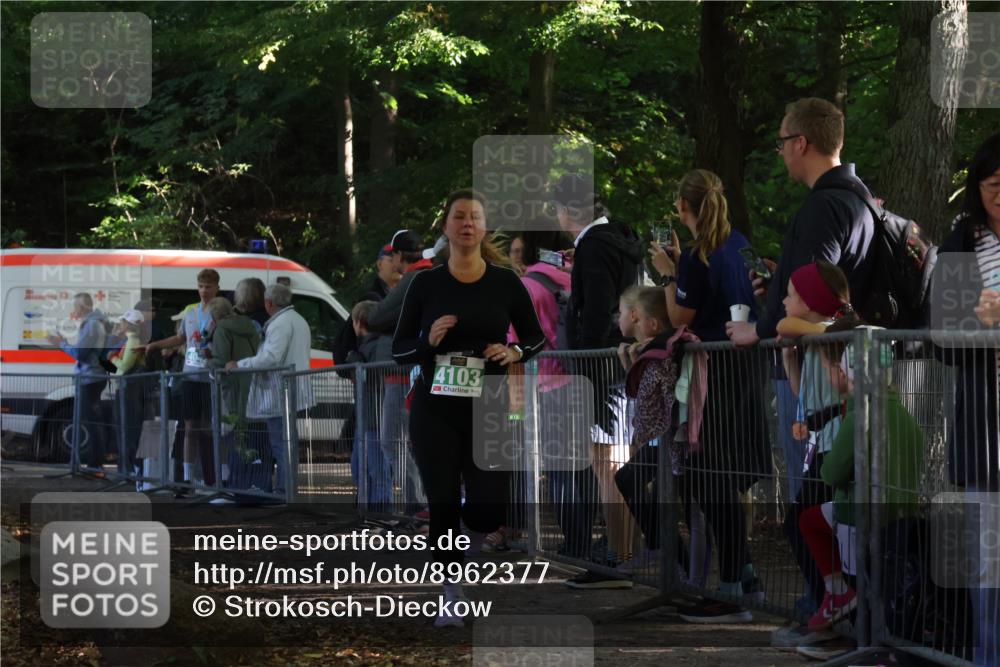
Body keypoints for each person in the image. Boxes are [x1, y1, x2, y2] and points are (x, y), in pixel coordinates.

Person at [392, 189, 545, 628]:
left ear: (483, 227)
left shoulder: (505, 282)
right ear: (446, 226)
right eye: (458, 216)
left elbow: (535, 338)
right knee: (442, 501)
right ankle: (451, 594)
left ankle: (462, 529)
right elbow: (401, 348)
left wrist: (514, 352)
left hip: (490, 405)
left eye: (474, 217)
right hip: (436, 407)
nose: (466, 224)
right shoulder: (425, 283)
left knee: (487, 511)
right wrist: (428, 342)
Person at [649, 169, 768, 622]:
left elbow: (680, 313)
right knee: (715, 479)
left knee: (708, 477)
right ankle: (747, 577)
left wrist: (667, 273)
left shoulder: (699, 255)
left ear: (683, 207)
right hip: (743, 369)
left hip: (711, 377)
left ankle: (733, 588)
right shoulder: (737, 243)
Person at [798, 318, 923, 632]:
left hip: (859, 517)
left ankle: (845, 603)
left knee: (810, 522)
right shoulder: (908, 417)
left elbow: (831, 473)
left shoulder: (858, 416)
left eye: (844, 375)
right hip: (901, 517)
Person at [553, 172, 644, 589]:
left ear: (569, 211)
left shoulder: (592, 246)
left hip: (601, 367)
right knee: (615, 463)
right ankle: (622, 551)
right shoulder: (621, 238)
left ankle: (618, 558)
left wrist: (586, 356)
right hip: (619, 364)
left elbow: (596, 308)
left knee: (607, 464)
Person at [933, 133, 1000, 666]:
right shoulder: (962, 242)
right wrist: (973, 323)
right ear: (977, 188)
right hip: (985, 424)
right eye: (994, 185)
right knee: (988, 560)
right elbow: (945, 341)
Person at [511, 226, 601, 562]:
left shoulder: (527, 286)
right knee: (582, 466)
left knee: (559, 469)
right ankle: (586, 540)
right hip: (582, 379)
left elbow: (514, 343)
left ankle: (574, 545)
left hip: (546, 383)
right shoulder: (572, 278)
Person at [774, 261, 856, 618]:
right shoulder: (815, 336)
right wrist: (789, 360)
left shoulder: (828, 330)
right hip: (822, 443)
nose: (784, 301)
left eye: (791, 294)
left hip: (836, 446)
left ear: (810, 301)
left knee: (801, 521)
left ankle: (836, 602)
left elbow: (782, 324)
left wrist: (793, 333)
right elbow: (806, 398)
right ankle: (830, 598)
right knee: (808, 521)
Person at [226, 283, 316, 500]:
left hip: (279, 391)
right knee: (287, 442)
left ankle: (285, 490)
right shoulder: (297, 320)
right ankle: (287, 488)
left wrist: (240, 364)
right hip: (290, 388)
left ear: (269, 303)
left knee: (281, 443)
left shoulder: (280, 324)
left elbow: (270, 358)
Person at [368, 230, 435, 515]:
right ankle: (423, 502)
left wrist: (379, 322)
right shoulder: (430, 275)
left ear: (397, 256)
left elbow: (378, 317)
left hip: (404, 373)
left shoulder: (412, 279)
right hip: (417, 370)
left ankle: (418, 502)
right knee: (415, 439)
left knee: (392, 440)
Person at [613, 287, 674, 573]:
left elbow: (657, 398)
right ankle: (661, 549)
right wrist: (629, 361)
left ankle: (671, 556)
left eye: (622, 312)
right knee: (628, 477)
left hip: (669, 437)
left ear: (636, 316)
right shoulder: (647, 350)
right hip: (658, 437)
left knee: (632, 479)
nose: (619, 318)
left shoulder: (661, 351)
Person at [145, 269, 222, 488]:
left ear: (217, 287)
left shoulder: (222, 312)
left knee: (209, 428)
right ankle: (188, 479)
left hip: (211, 378)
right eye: (200, 286)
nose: (204, 291)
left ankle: (213, 478)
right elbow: (181, 338)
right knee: (189, 427)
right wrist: (155, 345)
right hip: (189, 376)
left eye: (208, 286)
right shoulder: (191, 312)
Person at [47, 293, 109, 472]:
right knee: (89, 419)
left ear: (82, 308)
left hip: (90, 378)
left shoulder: (92, 324)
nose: (74, 311)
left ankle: (95, 464)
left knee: (89, 421)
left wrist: (62, 343)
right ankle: (92, 463)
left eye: (75, 307)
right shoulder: (95, 322)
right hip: (92, 377)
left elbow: (80, 354)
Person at [204, 296, 261, 488]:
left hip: (231, 386)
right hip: (253, 382)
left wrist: (207, 362)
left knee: (232, 434)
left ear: (214, 315)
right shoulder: (250, 325)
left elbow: (220, 361)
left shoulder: (222, 330)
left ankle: (235, 483)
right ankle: (252, 482)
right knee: (250, 433)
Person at [346, 300, 393, 511]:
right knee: (359, 467)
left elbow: (376, 377)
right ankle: (368, 509)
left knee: (377, 469)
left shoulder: (378, 346)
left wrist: (358, 364)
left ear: (359, 323)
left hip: (375, 417)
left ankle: (381, 509)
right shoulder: (368, 346)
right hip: (367, 418)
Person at [108, 308, 146, 477]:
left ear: (129, 324)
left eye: (123, 321)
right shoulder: (131, 340)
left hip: (127, 391)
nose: (120, 323)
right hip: (126, 389)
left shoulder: (133, 341)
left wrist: (112, 358)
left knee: (126, 429)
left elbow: (124, 366)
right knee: (125, 429)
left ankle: (128, 469)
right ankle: (127, 468)